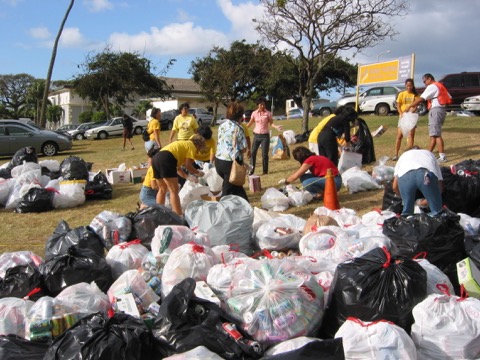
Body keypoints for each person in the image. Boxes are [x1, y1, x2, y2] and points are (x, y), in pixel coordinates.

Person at [151, 134, 206, 216]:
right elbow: (188, 165)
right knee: (174, 191)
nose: (198, 151)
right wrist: (198, 172)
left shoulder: (182, 145)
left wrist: (187, 177)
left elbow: (178, 168)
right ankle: (179, 215)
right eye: (199, 148)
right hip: (167, 159)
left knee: (162, 189)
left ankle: (158, 214)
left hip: (156, 158)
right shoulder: (191, 146)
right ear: (198, 144)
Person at [407, 73, 452, 163]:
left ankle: (442, 156)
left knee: (436, 134)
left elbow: (421, 98)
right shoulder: (440, 86)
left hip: (436, 110)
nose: (424, 84)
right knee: (433, 134)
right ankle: (428, 154)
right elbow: (449, 97)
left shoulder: (432, 86)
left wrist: (410, 106)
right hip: (441, 110)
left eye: (425, 81)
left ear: (429, 79)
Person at [392, 147, 444, 216]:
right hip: (425, 175)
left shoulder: (403, 156)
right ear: (419, 149)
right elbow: (440, 184)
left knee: (407, 214)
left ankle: (407, 221)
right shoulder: (429, 153)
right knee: (437, 212)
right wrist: (427, 201)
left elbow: (395, 187)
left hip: (405, 176)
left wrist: (406, 199)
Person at [215, 101, 249, 201]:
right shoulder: (238, 128)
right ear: (240, 116)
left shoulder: (221, 126)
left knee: (236, 187)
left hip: (219, 161)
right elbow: (244, 148)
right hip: (230, 164)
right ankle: (220, 211)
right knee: (227, 192)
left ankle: (246, 206)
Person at [247, 98, 283, 175]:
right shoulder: (254, 113)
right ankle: (251, 170)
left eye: (264, 104)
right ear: (257, 105)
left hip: (265, 136)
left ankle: (265, 171)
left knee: (264, 154)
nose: (262, 106)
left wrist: (276, 127)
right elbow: (250, 123)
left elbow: (271, 123)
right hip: (256, 135)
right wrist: (243, 129)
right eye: (261, 105)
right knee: (253, 153)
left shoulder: (268, 113)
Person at [393, 78, 420, 161]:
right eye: (407, 86)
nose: (409, 87)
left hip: (411, 117)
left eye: (410, 86)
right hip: (403, 117)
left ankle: (409, 154)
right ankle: (396, 154)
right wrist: (401, 113)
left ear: (413, 86)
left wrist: (413, 110)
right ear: (405, 85)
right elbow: (398, 105)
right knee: (399, 136)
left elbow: (416, 106)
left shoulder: (415, 95)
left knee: (411, 135)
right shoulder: (401, 94)